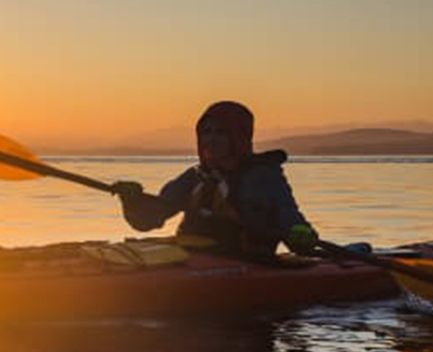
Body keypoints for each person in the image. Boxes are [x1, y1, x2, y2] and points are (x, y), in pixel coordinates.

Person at [112, 101, 319, 260]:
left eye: (220, 133)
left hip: (246, 262)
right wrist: (132, 201)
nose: (210, 139)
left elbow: (291, 221)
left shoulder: (264, 177)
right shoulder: (194, 177)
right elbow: (148, 220)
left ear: (239, 138)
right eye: (206, 132)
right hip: (191, 259)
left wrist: (301, 234)